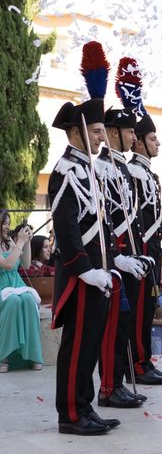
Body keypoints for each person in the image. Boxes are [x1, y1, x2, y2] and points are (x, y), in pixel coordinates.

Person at [48, 57, 122, 435]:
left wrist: (111, 265)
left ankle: (85, 406)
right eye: (95, 131)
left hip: (97, 274)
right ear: (76, 133)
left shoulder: (89, 169)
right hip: (81, 275)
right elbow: (65, 227)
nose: (100, 138)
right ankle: (71, 415)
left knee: (90, 343)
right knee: (76, 346)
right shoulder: (65, 171)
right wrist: (85, 268)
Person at [95, 106, 151, 408]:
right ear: (113, 132)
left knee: (125, 325)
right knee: (114, 327)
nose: (133, 137)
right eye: (129, 132)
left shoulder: (122, 168)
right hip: (114, 259)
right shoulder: (102, 168)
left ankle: (117, 382)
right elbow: (105, 220)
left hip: (130, 257)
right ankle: (109, 387)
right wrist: (117, 257)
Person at [123, 56, 162, 382]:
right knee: (139, 311)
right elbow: (137, 218)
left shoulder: (148, 172)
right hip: (140, 250)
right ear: (138, 141)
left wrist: (160, 252)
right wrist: (147, 253)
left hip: (152, 250)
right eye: (153, 139)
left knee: (147, 308)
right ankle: (136, 366)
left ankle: (145, 361)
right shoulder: (133, 172)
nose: (158, 143)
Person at [0, 209, 43, 373]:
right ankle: (3, 356)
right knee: (13, 302)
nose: (7, 227)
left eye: (8, 223)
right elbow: (8, 264)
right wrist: (19, 243)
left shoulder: (9, 241)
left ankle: (32, 355)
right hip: (2, 287)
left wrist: (27, 242)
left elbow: (24, 264)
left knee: (28, 300)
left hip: (15, 285)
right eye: (4, 223)